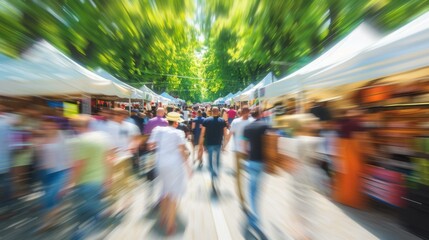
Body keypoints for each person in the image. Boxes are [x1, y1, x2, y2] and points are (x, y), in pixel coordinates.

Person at [65, 114, 114, 239]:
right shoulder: (103, 137)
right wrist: (109, 177)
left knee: (83, 210)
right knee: (91, 206)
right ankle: (100, 218)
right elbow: (109, 159)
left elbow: (78, 165)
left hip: (85, 181)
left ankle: (81, 235)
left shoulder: (81, 140)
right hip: (100, 179)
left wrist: (70, 183)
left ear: (76, 126)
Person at [147, 112, 192, 235]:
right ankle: (170, 224)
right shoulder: (179, 133)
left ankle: (163, 218)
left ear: (167, 121)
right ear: (177, 122)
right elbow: (182, 151)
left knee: (164, 190)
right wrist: (188, 168)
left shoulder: (157, 130)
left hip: (160, 164)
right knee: (173, 194)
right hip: (175, 165)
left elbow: (150, 146)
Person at [34, 117, 71, 231]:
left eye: (50, 125)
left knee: (50, 197)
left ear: (55, 125)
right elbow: (39, 154)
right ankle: (54, 218)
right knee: (51, 196)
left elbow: (70, 153)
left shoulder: (63, 136)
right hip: (46, 172)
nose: (48, 127)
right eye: (45, 125)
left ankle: (46, 223)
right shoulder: (42, 137)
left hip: (61, 170)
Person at [242, 107, 270, 239]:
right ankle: (255, 218)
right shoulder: (266, 125)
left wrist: (247, 156)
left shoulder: (247, 128)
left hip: (252, 160)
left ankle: (254, 218)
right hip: (263, 161)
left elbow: (244, 146)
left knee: (252, 191)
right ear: (261, 114)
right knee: (258, 190)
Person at [225, 106, 253, 210]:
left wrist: (224, 146)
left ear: (240, 112)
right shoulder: (252, 121)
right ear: (249, 112)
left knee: (239, 176)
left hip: (238, 151)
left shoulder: (236, 122)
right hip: (250, 151)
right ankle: (249, 198)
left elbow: (230, 134)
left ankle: (242, 199)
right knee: (249, 175)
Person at [198, 107, 228, 191]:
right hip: (218, 144)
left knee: (210, 161)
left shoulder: (206, 121)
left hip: (209, 144)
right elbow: (225, 134)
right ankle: (217, 173)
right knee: (217, 160)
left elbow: (202, 133)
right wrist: (225, 146)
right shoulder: (222, 121)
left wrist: (201, 144)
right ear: (218, 112)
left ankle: (212, 175)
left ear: (211, 112)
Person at [0, 103, 13, 219]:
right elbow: (11, 143)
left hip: (4, 161)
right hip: (4, 161)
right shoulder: (5, 123)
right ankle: (4, 211)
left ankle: (4, 210)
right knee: (5, 187)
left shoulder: (5, 122)